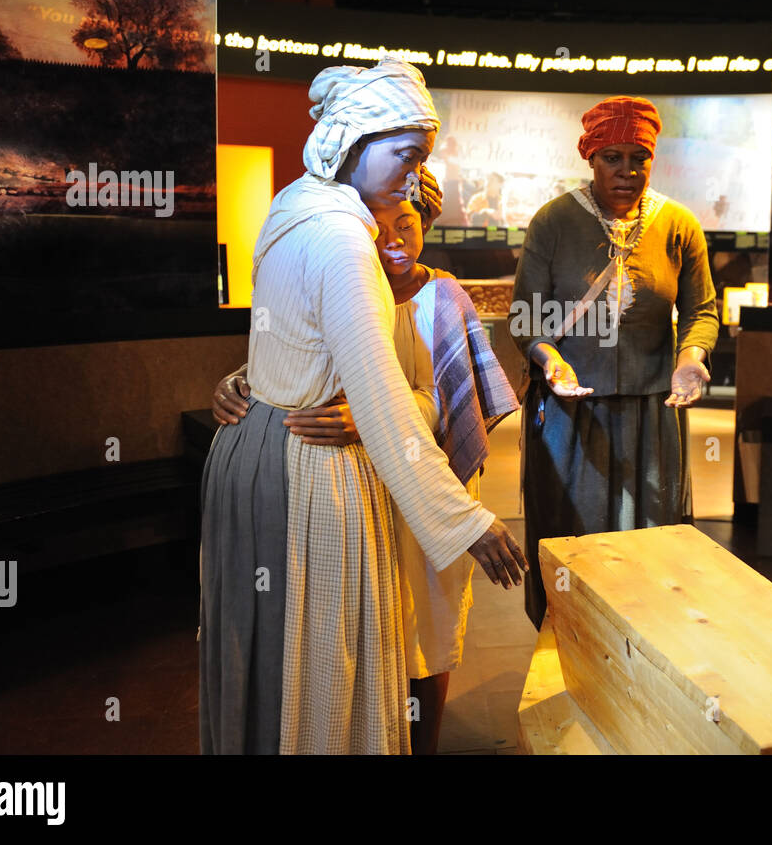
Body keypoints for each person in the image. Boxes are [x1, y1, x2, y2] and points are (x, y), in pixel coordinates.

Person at [199, 56, 526, 756]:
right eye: (406, 154)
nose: (413, 177)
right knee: (325, 664)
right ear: (353, 140)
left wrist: (251, 377)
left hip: (251, 451)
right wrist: (466, 518)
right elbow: (379, 398)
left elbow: (284, 334)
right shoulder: (346, 239)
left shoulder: (289, 208)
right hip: (312, 467)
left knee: (260, 652)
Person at [511, 95, 720, 629]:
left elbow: (701, 309)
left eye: (639, 158)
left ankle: (643, 666)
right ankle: (567, 656)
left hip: (653, 413)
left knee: (650, 542)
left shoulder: (679, 225)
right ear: (590, 158)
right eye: (612, 158)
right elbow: (525, 317)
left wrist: (691, 356)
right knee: (572, 540)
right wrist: (550, 358)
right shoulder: (553, 222)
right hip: (571, 416)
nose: (627, 171)